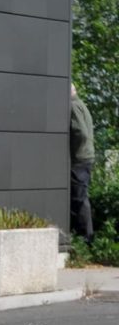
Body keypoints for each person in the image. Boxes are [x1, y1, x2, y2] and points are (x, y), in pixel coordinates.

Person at [70, 83, 96, 250]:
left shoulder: (72, 106)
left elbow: (81, 133)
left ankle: (86, 240)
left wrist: (73, 152)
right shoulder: (81, 105)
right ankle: (85, 238)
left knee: (79, 199)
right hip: (86, 158)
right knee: (81, 197)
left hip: (79, 159)